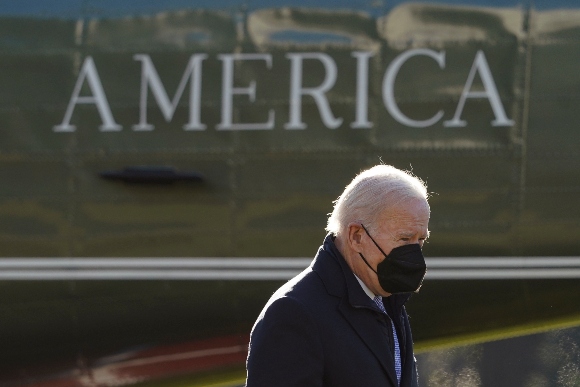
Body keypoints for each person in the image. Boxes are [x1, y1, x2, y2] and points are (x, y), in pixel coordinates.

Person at [245, 165, 430, 387]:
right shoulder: (293, 314)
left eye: (420, 241)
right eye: (404, 239)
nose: (414, 255)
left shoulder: (388, 301)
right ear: (356, 236)